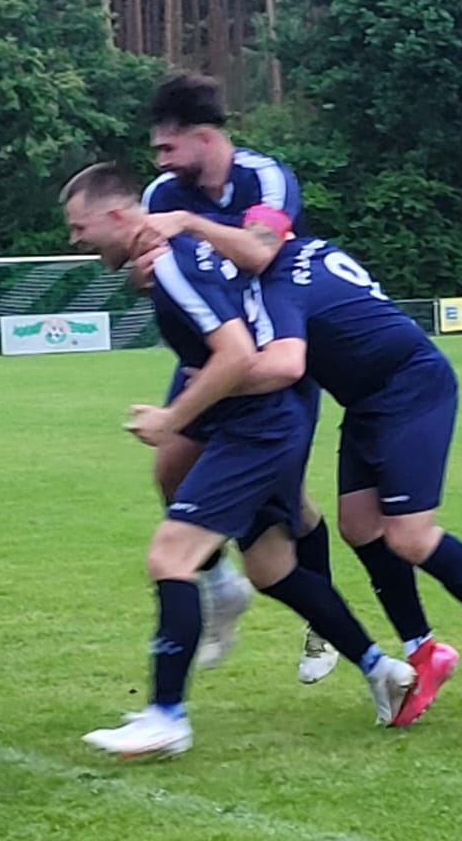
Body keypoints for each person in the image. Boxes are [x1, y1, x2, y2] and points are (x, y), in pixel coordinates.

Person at [60, 165, 416, 758]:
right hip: (270, 418)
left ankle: (167, 716)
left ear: (119, 216)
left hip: (256, 427)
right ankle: (382, 670)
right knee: (272, 568)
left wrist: (171, 419)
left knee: (170, 557)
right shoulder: (181, 256)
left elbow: (234, 354)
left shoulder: (173, 262)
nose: (75, 240)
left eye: (80, 227)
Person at [203, 230, 462, 728]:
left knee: (410, 538)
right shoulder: (306, 251)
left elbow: (286, 365)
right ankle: (423, 651)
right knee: (359, 527)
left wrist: (206, 387)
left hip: (411, 388)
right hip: (368, 400)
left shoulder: (281, 282)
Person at [140, 71, 338, 686]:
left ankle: (323, 626)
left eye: (168, 146)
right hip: (212, 354)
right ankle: (219, 585)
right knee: (170, 470)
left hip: (277, 353)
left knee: (289, 502)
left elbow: (259, 252)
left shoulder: (265, 178)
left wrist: (190, 225)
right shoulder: (161, 192)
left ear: (204, 137)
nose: (159, 160)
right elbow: (151, 272)